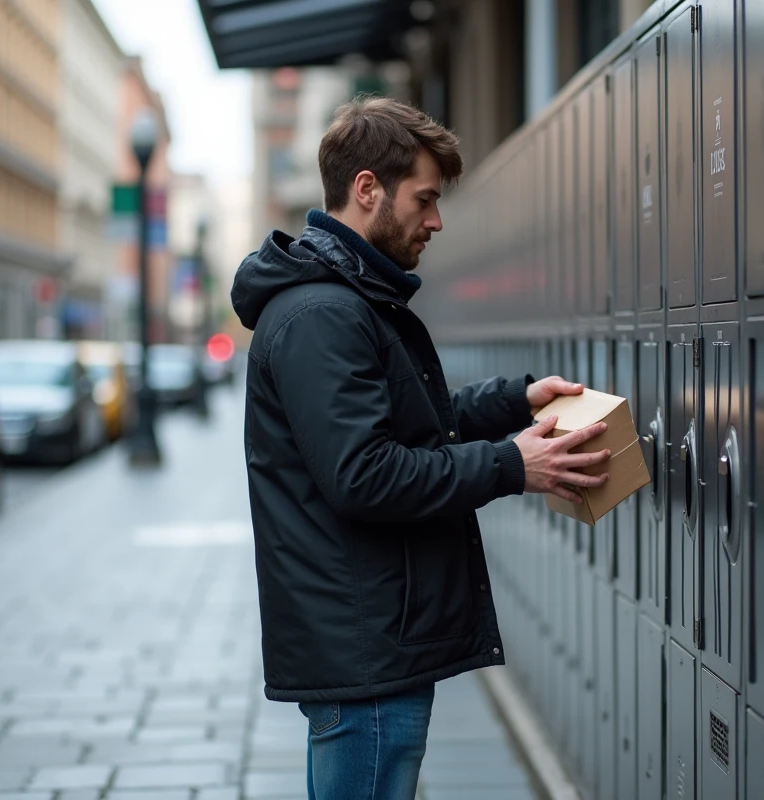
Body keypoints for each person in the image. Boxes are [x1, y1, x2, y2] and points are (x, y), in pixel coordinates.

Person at [231, 96, 610, 800]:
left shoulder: (345, 301)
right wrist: (512, 466)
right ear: (367, 188)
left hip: (371, 637)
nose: (436, 221)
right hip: (365, 647)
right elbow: (366, 475)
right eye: (425, 199)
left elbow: (403, 423)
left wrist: (511, 402)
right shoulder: (324, 314)